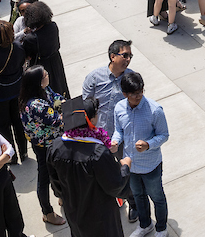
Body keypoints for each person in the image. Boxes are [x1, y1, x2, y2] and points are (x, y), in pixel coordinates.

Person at [48, 97, 128, 237]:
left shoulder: (55, 147)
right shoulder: (97, 153)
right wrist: (125, 166)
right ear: (91, 120)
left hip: (74, 211)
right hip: (100, 217)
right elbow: (115, 186)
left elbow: (56, 183)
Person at [110, 70, 171, 237]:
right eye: (134, 94)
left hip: (150, 165)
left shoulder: (155, 110)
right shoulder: (119, 108)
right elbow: (119, 130)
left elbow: (164, 135)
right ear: (125, 94)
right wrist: (115, 141)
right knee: (138, 196)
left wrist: (148, 144)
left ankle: (161, 228)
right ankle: (145, 225)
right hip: (131, 165)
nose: (139, 97)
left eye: (140, 92)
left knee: (157, 197)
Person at [17, 66, 66, 226]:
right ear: (38, 81)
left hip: (54, 142)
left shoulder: (44, 90)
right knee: (45, 177)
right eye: (45, 74)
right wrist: (61, 107)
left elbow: (57, 97)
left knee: (58, 172)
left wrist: (60, 102)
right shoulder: (36, 105)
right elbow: (57, 119)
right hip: (44, 146)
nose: (48, 75)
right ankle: (47, 212)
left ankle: (61, 196)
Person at [0, 20, 28, 163]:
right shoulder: (19, 48)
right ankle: (24, 152)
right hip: (17, 90)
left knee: (4, 127)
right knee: (18, 123)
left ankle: (11, 156)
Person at [19, 0, 69, 97]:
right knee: (59, 85)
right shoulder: (53, 26)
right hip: (55, 61)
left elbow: (27, 55)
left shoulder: (31, 38)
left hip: (40, 66)